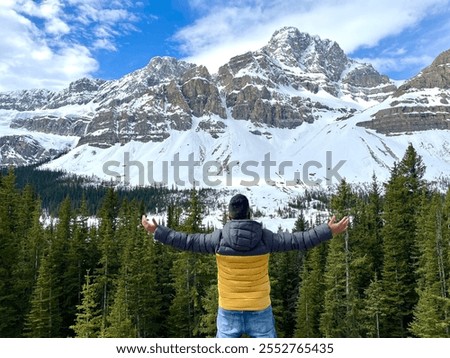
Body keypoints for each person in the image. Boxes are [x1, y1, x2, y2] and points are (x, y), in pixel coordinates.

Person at [142, 194, 349, 338]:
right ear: (249, 214)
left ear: (229, 216)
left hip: (229, 309)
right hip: (259, 308)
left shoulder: (219, 239)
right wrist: (328, 230)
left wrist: (157, 231)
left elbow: (186, 241)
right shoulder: (264, 238)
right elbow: (299, 240)